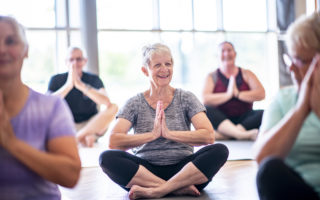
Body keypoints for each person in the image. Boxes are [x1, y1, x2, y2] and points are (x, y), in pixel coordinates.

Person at [99, 43, 229, 199]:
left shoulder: (186, 98)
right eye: (157, 65)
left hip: (185, 170)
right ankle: (176, 188)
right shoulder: (134, 103)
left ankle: (157, 190)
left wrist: (169, 134)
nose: (164, 69)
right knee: (106, 158)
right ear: (145, 70)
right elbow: (114, 141)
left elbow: (208, 136)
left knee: (220, 150)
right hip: (145, 172)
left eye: (168, 64)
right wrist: (152, 135)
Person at [0, 16, 81, 199]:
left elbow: (70, 176)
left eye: (10, 41)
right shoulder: (57, 80)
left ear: (25, 50)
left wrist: (11, 143)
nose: (1, 49)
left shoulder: (51, 107)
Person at [254, 12, 320, 200]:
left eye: (300, 60)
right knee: (270, 171)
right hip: (302, 193)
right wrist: (301, 109)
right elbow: (262, 158)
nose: (291, 67)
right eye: (290, 58)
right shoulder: (284, 99)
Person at [47, 47, 118, 147]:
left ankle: (79, 137)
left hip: (91, 124)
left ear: (85, 61)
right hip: (65, 124)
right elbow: (47, 103)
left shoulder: (94, 79)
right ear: (66, 62)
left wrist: (81, 85)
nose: (75, 62)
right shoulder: (56, 79)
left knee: (114, 107)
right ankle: (85, 137)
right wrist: (69, 85)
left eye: (79, 59)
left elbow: (106, 102)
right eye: (71, 59)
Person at [202, 41, 265, 140]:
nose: (226, 53)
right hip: (221, 120)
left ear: (235, 54)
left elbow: (261, 94)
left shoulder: (246, 73)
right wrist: (228, 95)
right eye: (223, 51)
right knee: (205, 110)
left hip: (244, 118)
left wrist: (238, 94)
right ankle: (242, 135)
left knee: (264, 113)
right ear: (218, 56)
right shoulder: (212, 76)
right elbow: (205, 99)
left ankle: (227, 135)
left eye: (229, 50)